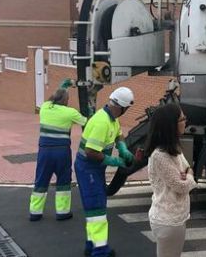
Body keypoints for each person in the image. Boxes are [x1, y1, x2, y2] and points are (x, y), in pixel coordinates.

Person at [74, 87, 136, 257]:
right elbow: (90, 151)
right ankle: (100, 251)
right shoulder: (102, 122)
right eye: (127, 109)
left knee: (94, 209)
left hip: (93, 168)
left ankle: (91, 245)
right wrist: (114, 160)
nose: (126, 111)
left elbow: (119, 135)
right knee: (97, 210)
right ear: (121, 107)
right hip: (88, 168)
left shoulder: (111, 119)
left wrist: (123, 148)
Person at [145, 103, 197, 257]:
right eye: (182, 119)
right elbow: (180, 185)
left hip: (175, 216)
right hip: (168, 220)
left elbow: (188, 168)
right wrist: (190, 177)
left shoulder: (173, 148)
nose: (185, 122)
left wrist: (187, 174)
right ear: (171, 125)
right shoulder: (160, 155)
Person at [29, 87, 87, 221]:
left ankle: (35, 212)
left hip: (44, 151)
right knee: (63, 181)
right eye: (68, 99)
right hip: (62, 151)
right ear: (66, 100)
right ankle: (62, 212)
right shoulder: (70, 112)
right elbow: (86, 122)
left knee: (41, 180)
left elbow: (51, 99)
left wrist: (62, 86)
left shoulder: (44, 107)